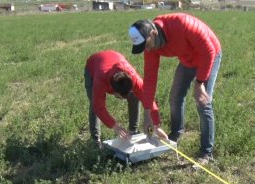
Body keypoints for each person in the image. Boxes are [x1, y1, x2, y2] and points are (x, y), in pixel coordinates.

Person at [128, 13, 222, 164]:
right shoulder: (150, 48)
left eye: (146, 44)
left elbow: (208, 50)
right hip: (187, 59)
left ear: (153, 33)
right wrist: (147, 115)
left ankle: (206, 152)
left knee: (202, 102)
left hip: (209, 55)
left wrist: (200, 83)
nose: (146, 50)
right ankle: (176, 134)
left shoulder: (182, 24)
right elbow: (150, 81)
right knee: (175, 97)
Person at [84, 50, 165, 147]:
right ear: (114, 92)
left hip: (115, 56)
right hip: (93, 65)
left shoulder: (133, 78)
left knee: (135, 96)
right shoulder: (100, 81)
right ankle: (95, 141)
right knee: (94, 103)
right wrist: (116, 127)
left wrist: (156, 125)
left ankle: (133, 131)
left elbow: (148, 98)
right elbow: (99, 108)